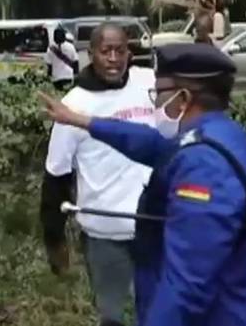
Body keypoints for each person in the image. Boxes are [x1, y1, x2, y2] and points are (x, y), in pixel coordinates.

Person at [40, 43, 246, 326]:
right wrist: (80, 120)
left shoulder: (204, 168)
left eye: (158, 94)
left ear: (182, 98)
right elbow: (149, 143)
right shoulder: (216, 132)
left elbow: (186, 285)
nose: (155, 102)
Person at [41, 23, 174, 326]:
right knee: (115, 317)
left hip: (156, 228)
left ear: (130, 52)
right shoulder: (73, 104)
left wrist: (206, 33)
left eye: (121, 50)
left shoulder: (148, 83)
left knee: (162, 313)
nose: (114, 58)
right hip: (106, 236)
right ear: (91, 54)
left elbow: (194, 84)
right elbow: (56, 176)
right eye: (105, 51)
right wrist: (54, 239)